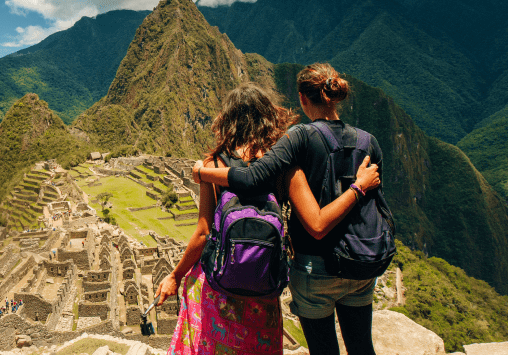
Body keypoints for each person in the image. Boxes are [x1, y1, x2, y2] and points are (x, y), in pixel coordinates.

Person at [154, 81, 380, 355]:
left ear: (227, 120)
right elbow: (311, 216)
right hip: (264, 284)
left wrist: (176, 276)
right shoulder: (285, 165)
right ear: (269, 118)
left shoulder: (213, 166)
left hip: (220, 285)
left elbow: (203, 233)